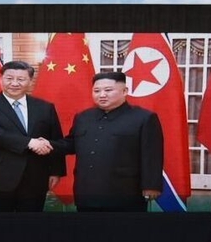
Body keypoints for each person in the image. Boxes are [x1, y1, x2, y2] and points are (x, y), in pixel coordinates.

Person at [45, 71, 163, 212]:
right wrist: (45, 144)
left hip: (125, 193)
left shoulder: (144, 118)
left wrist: (151, 185)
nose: (102, 95)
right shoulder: (83, 117)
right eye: (96, 91)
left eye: (108, 90)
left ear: (125, 91)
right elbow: (70, 144)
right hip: (86, 193)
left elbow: (152, 155)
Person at [0, 61, 65, 212]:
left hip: (36, 176)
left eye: (21, 79)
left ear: (30, 81)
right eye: (9, 78)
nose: (14, 83)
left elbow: (55, 138)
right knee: (0, 226)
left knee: (31, 225)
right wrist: (29, 142)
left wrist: (56, 171)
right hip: (0, 177)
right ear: (1, 79)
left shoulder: (45, 107)